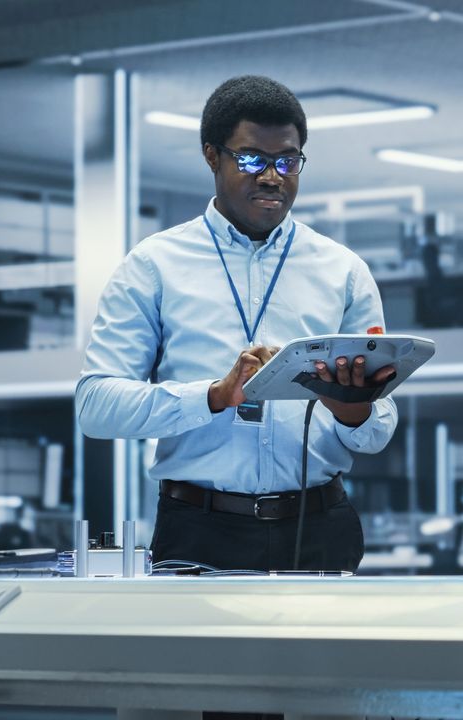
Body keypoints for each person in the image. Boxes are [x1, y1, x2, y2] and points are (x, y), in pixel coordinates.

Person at [75, 75, 397, 574]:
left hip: (320, 527)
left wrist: (350, 407)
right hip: (199, 530)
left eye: (287, 161)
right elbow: (96, 406)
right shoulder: (154, 265)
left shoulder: (343, 271)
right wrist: (213, 396)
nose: (272, 176)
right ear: (212, 156)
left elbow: (375, 433)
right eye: (252, 159)